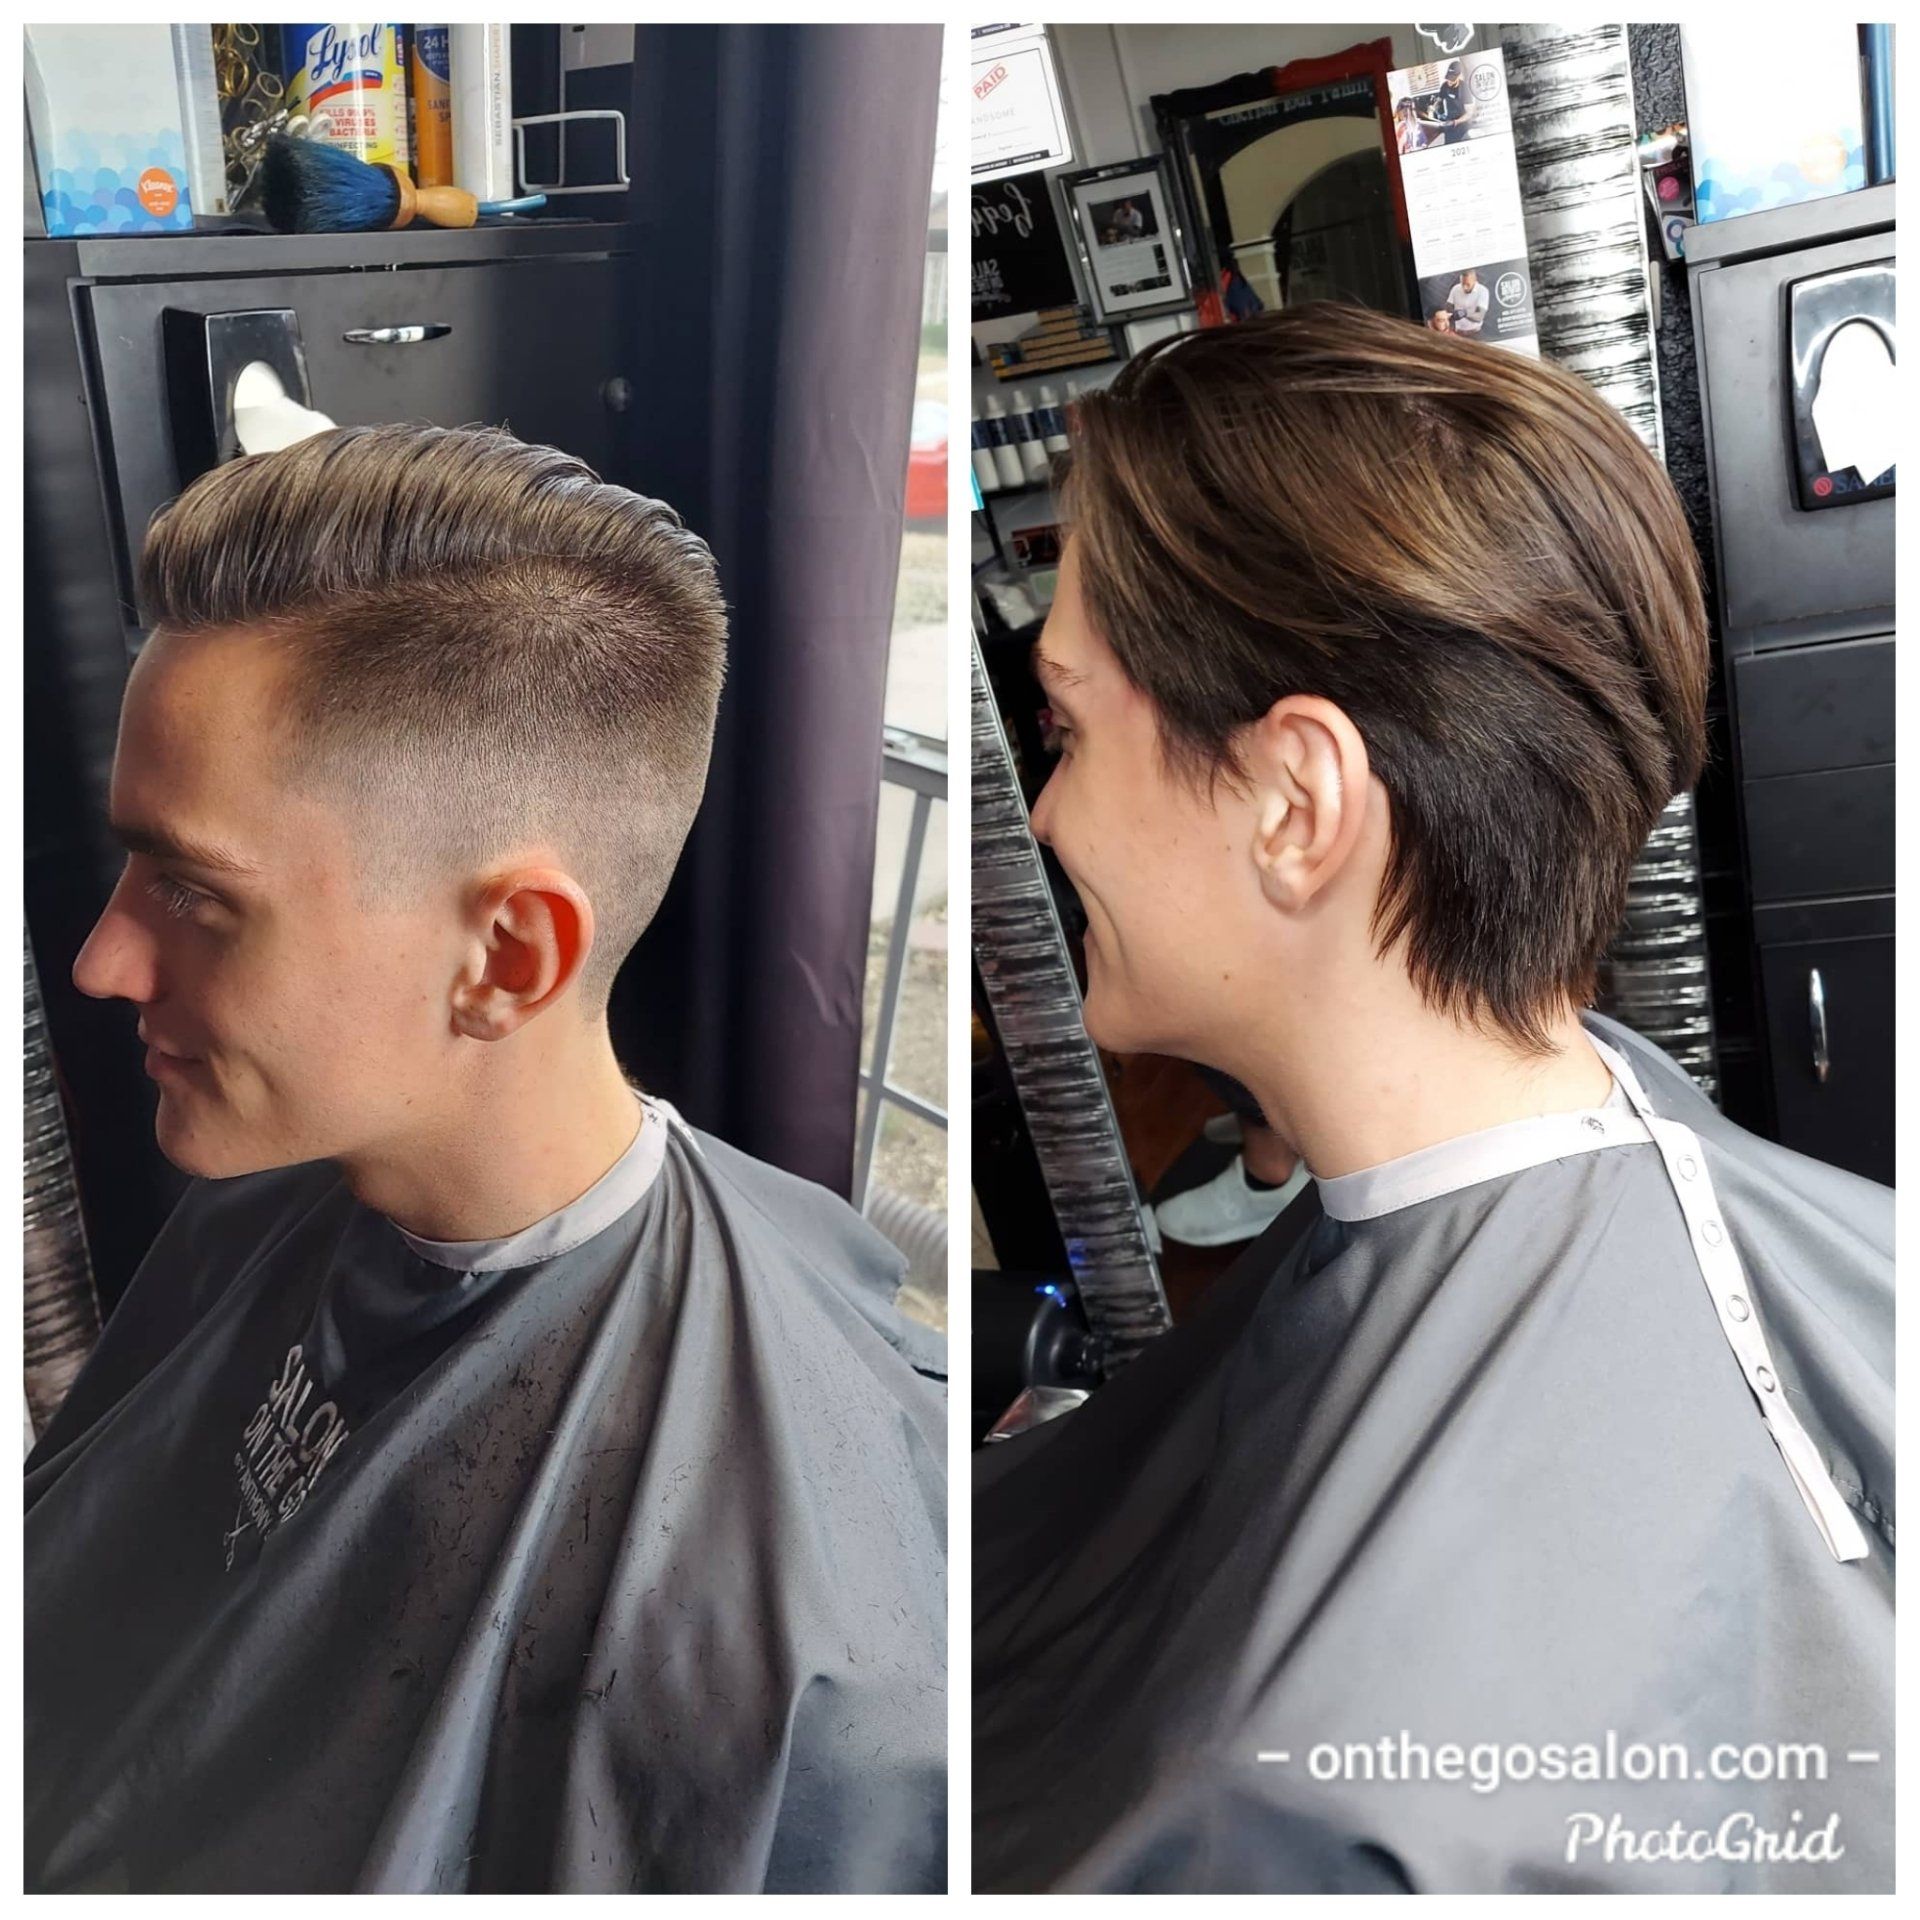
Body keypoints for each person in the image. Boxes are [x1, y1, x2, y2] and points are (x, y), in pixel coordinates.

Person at [975, 306, 1891, 1893]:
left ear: (1295, 802)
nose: (1047, 815)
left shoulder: (1326, 1780)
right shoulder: (1694, 1180)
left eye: (1063, 727)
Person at [26, 424, 947, 1894]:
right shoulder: (272, 1197)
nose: (100, 961)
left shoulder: (796, 1626)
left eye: (194, 894)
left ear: (506, 958)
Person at [1445, 266, 1490, 334]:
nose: (1464, 287)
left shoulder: (1483, 291)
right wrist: (1451, 313)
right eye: (1463, 284)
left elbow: (1479, 317)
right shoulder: (1455, 288)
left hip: (1475, 332)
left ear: (1474, 280)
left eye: (1468, 284)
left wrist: (1464, 313)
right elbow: (1448, 307)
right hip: (1457, 331)